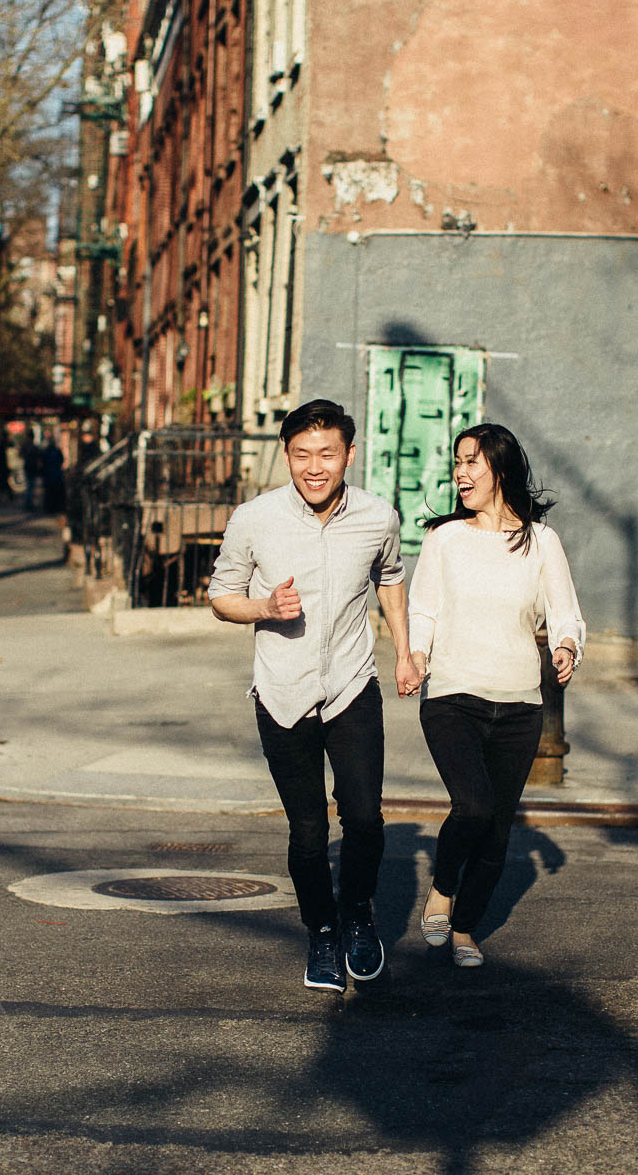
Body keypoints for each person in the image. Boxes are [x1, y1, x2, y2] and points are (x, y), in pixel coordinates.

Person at [209, 400, 421, 993]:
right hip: (283, 692)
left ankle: (358, 916)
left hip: (352, 686)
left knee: (365, 819)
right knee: (306, 831)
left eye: (326, 454)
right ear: (287, 456)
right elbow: (221, 595)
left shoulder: (378, 517)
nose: (314, 467)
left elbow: (390, 578)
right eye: (301, 454)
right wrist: (263, 607)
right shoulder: (254, 519)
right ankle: (322, 931)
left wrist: (405, 653)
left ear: (349, 454)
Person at [407, 424, 584, 968]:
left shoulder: (541, 541)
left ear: (501, 470)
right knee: (474, 806)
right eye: (457, 462)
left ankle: (465, 928)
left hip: (520, 704)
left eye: (472, 463)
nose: (460, 473)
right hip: (452, 695)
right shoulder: (444, 539)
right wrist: (415, 655)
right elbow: (423, 609)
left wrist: (567, 646)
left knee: (497, 829)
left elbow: (565, 613)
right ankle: (443, 887)